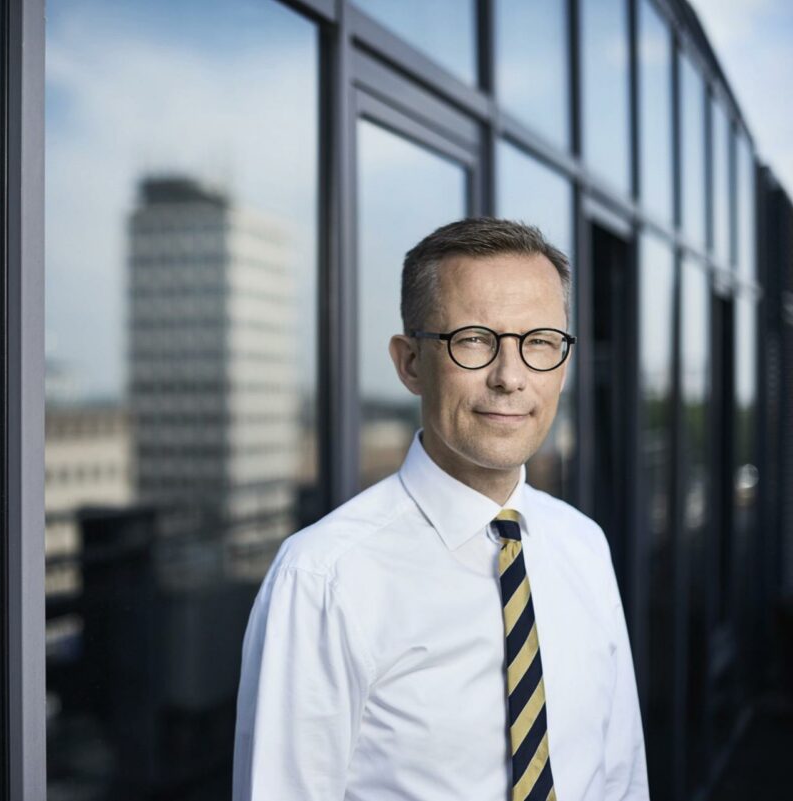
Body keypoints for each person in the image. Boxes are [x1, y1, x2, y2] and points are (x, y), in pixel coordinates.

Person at [233, 218, 648, 800]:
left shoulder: (583, 544)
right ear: (409, 364)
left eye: (540, 343)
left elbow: (621, 779)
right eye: (474, 339)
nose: (510, 377)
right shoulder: (322, 579)